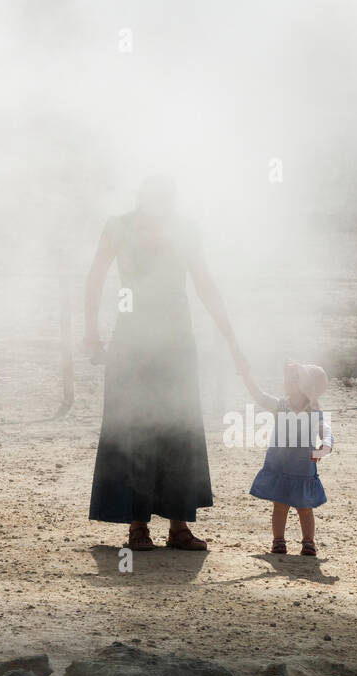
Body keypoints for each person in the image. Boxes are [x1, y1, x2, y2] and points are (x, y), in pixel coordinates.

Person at [84, 176, 246, 551]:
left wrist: (232, 339)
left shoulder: (185, 229)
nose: (163, 207)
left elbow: (204, 283)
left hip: (175, 339)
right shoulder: (118, 226)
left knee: (179, 425)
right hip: (132, 339)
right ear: (143, 199)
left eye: (168, 200)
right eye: (157, 199)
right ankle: (137, 526)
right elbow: (95, 277)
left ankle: (179, 526)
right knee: (134, 425)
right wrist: (90, 331)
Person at [239, 360, 333, 556]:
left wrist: (325, 446)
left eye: (292, 380)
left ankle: (308, 542)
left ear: (306, 387)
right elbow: (260, 396)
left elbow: (325, 430)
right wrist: (247, 377)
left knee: (305, 508)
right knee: (280, 506)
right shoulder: (281, 406)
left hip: (302, 469)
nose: (287, 383)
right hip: (280, 466)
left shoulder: (313, 412)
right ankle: (278, 541)